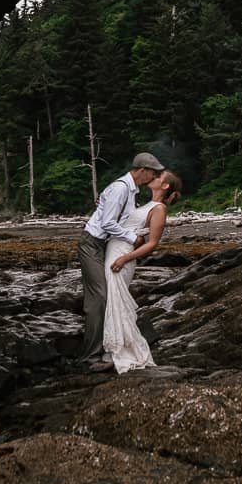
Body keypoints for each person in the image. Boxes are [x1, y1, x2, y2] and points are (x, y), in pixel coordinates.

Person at [75, 152, 163, 365]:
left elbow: (119, 216)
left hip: (102, 245)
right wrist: (133, 238)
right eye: (152, 173)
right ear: (142, 170)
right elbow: (107, 224)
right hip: (92, 243)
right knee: (100, 298)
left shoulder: (130, 190)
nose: (153, 177)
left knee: (106, 296)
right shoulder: (121, 188)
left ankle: (102, 347)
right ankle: (90, 356)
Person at [103, 170, 181, 374]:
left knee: (118, 301)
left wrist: (125, 258)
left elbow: (152, 244)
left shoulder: (159, 209)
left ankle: (127, 352)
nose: (153, 177)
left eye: (158, 177)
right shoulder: (145, 204)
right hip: (115, 250)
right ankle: (114, 348)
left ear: (164, 186)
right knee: (113, 300)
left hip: (123, 256)